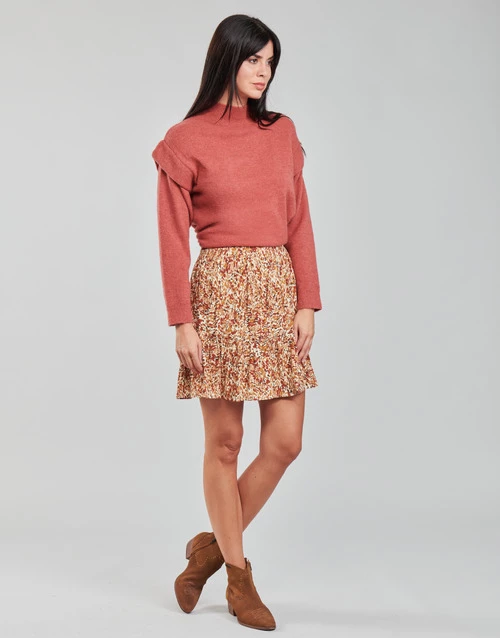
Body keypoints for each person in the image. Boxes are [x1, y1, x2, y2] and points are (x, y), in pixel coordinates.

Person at [152, 14, 322, 632]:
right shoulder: (185, 139)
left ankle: (207, 553)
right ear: (227, 58)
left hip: (277, 290)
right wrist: (181, 320)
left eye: (270, 62)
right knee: (225, 445)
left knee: (285, 443)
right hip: (219, 294)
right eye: (254, 60)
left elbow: (299, 220)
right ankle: (239, 577)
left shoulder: (282, 132)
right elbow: (172, 238)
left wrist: (307, 302)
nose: (264, 72)